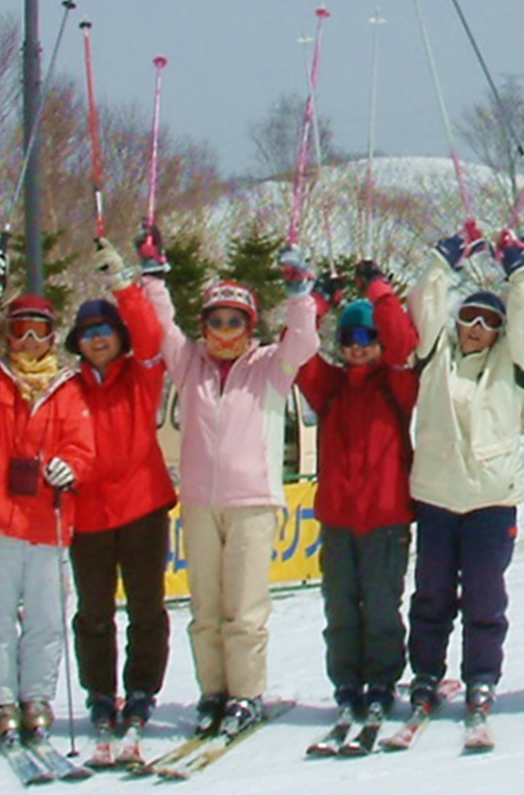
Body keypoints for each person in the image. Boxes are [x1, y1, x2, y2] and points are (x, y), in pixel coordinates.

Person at [140, 230, 321, 737]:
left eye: (234, 320)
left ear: (250, 323)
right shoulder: (190, 364)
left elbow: (305, 341)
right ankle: (213, 691)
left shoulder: (268, 366)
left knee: (243, 608)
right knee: (205, 609)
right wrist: (153, 277)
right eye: (216, 320)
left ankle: (245, 693)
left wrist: (298, 292)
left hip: (252, 501)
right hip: (199, 501)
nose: (224, 330)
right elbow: (161, 327)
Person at [403, 223, 524, 732]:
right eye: (468, 316)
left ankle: (482, 675)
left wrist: (519, 270)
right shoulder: (434, 357)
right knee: (432, 595)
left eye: (489, 321)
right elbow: (422, 305)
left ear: (499, 331)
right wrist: (444, 266)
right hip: (438, 498)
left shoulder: (512, 364)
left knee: (486, 595)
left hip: (491, 500)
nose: (475, 327)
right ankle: (425, 674)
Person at [0, 246, 96, 748]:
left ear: (53, 337)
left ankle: (37, 694)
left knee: (45, 617)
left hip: (48, 521)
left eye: (39, 331)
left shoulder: (69, 388)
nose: (30, 341)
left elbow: (83, 444)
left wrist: (70, 466)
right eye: (20, 331)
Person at [293, 261, 420, 732]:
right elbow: (298, 349)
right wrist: (319, 300)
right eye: (348, 340)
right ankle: (347, 683)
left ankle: (383, 682)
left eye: (366, 339)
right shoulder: (328, 386)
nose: (356, 347)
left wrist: (377, 288)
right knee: (341, 607)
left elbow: (404, 342)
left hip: (386, 518)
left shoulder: (396, 383)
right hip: (340, 520)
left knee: (383, 607)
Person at [64, 237, 176, 753]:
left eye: (106, 330)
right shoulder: (69, 389)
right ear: (78, 342)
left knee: (147, 606)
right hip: (87, 516)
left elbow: (152, 335)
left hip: (142, 507)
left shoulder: (141, 374)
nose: (98, 339)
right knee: (93, 611)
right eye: (89, 333)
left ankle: (141, 688)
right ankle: (100, 692)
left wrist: (123, 284)